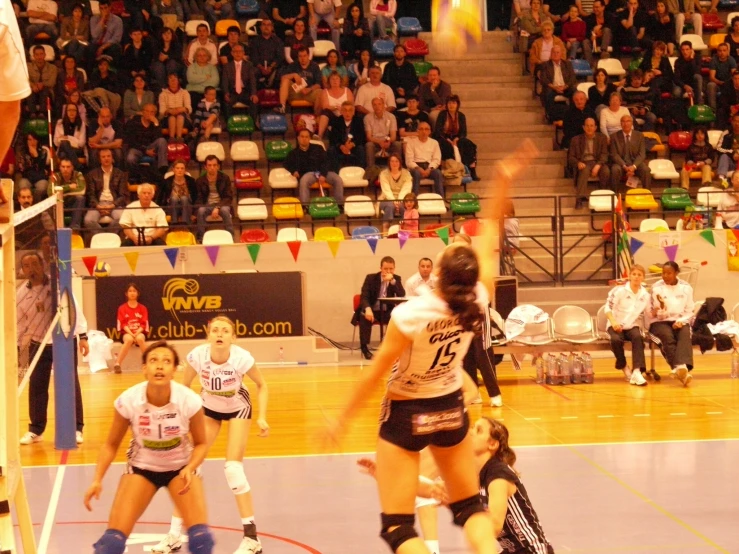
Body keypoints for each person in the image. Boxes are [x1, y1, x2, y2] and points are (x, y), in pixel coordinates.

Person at [330, 226, 505, 552]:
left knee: (397, 526)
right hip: (451, 408)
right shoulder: (479, 299)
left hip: (407, 411)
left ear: (438, 274)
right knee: (469, 507)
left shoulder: (411, 314)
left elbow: (374, 375)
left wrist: (341, 419)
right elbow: (490, 252)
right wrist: (503, 183)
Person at [83, 341, 215, 554]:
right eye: (153, 360)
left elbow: (201, 444)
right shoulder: (129, 400)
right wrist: (97, 479)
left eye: (166, 361)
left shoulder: (189, 401)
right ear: (144, 369)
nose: (160, 366)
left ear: (174, 370)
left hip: (180, 469)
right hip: (142, 469)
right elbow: (110, 445)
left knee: (202, 541)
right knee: (111, 544)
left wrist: (190, 467)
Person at [154, 317, 269, 554]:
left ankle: (252, 538)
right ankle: (174, 535)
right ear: (208, 335)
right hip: (208, 408)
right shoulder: (197, 356)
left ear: (233, 337)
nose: (219, 334)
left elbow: (262, 385)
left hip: (238, 408)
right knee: (189, 467)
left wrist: (262, 417)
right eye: (215, 330)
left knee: (233, 470)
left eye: (225, 331)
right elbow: (184, 388)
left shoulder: (241, 358)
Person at [18, 251, 88, 445]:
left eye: (35, 264)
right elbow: (18, 323)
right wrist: (16, 346)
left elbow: (75, 310)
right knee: (37, 387)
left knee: (70, 384)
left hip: (64, 342)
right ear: (23, 270)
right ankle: (36, 430)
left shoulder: (58, 287)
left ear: (42, 266)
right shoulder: (21, 294)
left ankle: (76, 428)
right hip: (37, 344)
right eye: (27, 265)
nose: (31, 268)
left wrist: (82, 336)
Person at [472, 418, 554, 553]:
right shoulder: (479, 473)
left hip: (531, 550)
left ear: (492, 444)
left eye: (478, 430)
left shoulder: (497, 473)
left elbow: (495, 525)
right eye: (473, 427)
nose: (471, 432)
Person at [647, 261, 695, 386]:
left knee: (684, 334)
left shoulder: (686, 288)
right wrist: (661, 312)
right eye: (663, 273)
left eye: (669, 273)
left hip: (680, 320)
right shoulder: (656, 288)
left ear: (676, 273)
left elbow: (690, 310)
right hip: (659, 322)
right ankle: (681, 368)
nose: (665, 276)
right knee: (667, 337)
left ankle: (680, 370)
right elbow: (653, 313)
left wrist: (681, 321)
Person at [605, 264, 650, 386]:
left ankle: (637, 372)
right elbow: (607, 309)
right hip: (615, 324)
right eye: (634, 274)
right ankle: (623, 365)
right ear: (629, 276)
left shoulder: (645, 295)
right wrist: (614, 322)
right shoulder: (618, 291)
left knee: (638, 338)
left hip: (632, 325)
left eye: (639, 275)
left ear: (643, 278)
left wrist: (660, 309)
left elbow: (649, 312)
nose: (636, 277)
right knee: (615, 340)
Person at [353, 256, 405, 360]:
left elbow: (402, 294)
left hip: (386, 311)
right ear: (380, 268)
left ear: (394, 269)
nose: (388, 271)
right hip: (372, 310)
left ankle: (391, 347)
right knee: (364, 316)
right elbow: (365, 296)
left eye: (391, 269)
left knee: (398, 318)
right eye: (386, 269)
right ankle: (365, 348)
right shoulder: (371, 278)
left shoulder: (396, 279)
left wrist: (393, 282)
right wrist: (368, 309)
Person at [285, 128, 345, 207]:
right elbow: (286, 164)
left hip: (323, 172)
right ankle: (305, 206)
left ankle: (340, 205)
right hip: (309, 174)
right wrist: (294, 171)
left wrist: (323, 174)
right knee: (304, 180)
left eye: (306, 137)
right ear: (298, 138)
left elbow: (326, 161)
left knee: (338, 179)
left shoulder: (318, 148)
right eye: (302, 137)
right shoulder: (293, 153)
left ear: (309, 138)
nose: (304, 139)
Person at [568, 117, 610, 208]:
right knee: (584, 170)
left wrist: (598, 165)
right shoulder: (576, 140)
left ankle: (603, 194)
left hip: (597, 161)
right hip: (584, 162)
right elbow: (571, 157)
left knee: (606, 171)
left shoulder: (602, 138)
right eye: (587, 126)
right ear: (583, 127)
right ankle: (579, 199)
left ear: (595, 127)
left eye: (591, 126)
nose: (589, 128)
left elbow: (604, 154)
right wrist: (578, 163)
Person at [434, 95, 479, 181]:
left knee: (468, 144)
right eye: (449, 103)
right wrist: (448, 139)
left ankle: (471, 170)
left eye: (454, 103)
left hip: (457, 138)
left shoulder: (461, 115)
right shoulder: (442, 114)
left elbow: (464, 132)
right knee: (444, 145)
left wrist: (457, 139)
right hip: (443, 138)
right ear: (446, 104)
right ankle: (450, 169)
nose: (451, 105)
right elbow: (438, 130)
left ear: (457, 104)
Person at [84, 148, 128, 232]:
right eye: (103, 157)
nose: (106, 158)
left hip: (115, 204)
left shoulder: (120, 174)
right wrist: (98, 206)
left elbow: (123, 195)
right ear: (99, 159)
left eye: (108, 156)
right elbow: (90, 195)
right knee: (88, 220)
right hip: (98, 204)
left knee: (122, 219)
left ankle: (109, 236)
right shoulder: (92, 174)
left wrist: (112, 206)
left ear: (112, 158)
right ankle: (102, 237)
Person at [195, 155, 234, 242]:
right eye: (209, 165)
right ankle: (200, 238)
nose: (212, 167)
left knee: (224, 210)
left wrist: (217, 207)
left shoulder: (225, 178)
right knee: (201, 211)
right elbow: (199, 198)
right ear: (205, 167)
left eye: (214, 165)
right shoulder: (200, 180)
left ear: (218, 166)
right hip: (207, 205)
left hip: (222, 204)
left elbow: (228, 197)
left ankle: (231, 237)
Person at [112, 283, 149, 373]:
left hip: (139, 332)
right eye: (130, 291)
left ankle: (148, 363)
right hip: (127, 333)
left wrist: (136, 334)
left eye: (134, 291)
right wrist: (132, 334)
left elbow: (144, 324)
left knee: (140, 338)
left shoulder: (143, 308)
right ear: (126, 293)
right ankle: (117, 364)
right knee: (128, 340)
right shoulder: (122, 308)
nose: (132, 293)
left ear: (137, 293)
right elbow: (123, 324)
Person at [275, 46, 322, 114]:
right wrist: (293, 75)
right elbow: (283, 78)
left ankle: (316, 117)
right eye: (300, 56)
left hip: (309, 92)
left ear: (308, 55)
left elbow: (318, 84)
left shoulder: (314, 66)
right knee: (286, 80)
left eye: (304, 56)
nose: (302, 58)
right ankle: (282, 107)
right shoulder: (293, 65)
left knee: (321, 93)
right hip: (296, 91)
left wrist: (309, 89)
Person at [609, 114, 651, 190]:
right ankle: (614, 196)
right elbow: (614, 155)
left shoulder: (639, 135)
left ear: (632, 123)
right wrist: (625, 166)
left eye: (628, 121)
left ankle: (647, 195)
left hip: (635, 164)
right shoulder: (614, 136)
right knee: (615, 169)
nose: (626, 124)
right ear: (620, 124)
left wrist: (634, 166)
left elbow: (642, 154)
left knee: (646, 170)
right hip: (621, 164)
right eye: (623, 121)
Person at [124, 103, 169, 174]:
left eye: (152, 112)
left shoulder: (156, 123)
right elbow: (131, 141)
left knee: (162, 140)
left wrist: (156, 124)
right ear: (142, 112)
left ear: (155, 114)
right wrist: (145, 151)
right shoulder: (134, 122)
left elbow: (158, 139)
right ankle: (134, 176)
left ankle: (162, 170)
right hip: (137, 148)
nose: (149, 114)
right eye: (147, 111)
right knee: (130, 158)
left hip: (151, 147)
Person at [222, 44, 259, 120]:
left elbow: (252, 80)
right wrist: (226, 92)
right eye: (235, 51)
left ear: (243, 53)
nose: (238, 53)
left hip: (245, 91)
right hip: (232, 92)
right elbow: (224, 81)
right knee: (226, 103)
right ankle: (228, 123)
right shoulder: (227, 66)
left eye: (240, 51)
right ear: (232, 53)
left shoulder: (249, 65)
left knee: (254, 102)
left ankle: (252, 123)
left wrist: (253, 94)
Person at [406, 121, 443, 196]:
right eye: (421, 129)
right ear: (417, 131)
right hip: (416, 168)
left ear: (429, 132)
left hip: (429, 167)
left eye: (426, 129)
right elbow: (409, 160)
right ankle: (413, 199)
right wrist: (419, 169)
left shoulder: (434, 143)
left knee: (438, 173)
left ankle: (440, 199)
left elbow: (437, 159)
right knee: (416, 173)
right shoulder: (411, 142)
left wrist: (429, 169)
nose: (424, 131)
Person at [378, 153, 413, 232]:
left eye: (396, 161)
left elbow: (406, 188)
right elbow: (386, 189)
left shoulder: (406, 173)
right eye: (392, 161)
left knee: (404, 206)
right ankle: (386, 230)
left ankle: (406, 229)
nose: (394, 163)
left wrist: (399, 200)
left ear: (400, 163)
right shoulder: (383, 174)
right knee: (390, 206)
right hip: (386, 198)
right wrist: (393, 200)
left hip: (403, 198)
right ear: (389, 163)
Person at [365, 97, 402, 169]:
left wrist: (388, 142)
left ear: (383, 105)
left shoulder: (391, 117)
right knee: (369, 145)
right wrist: (379, 142)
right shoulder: (367, 118)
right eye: (374, 105)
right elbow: (369, 137)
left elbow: (393, 136)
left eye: (379, 104)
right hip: (375, 143)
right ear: (372, 106)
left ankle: (398, 168)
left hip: (388, 143)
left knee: (397, 144)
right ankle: (371, 170)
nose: (377, 106)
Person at [49, 159, 87, 229]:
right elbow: (50, 193)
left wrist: (61, 192)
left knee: (80, 198)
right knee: (55, 201)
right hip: (59, 203)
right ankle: (61, 228)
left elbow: (82, 190)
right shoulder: (54, 176)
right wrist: (69, 187)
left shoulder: (78, 175)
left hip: (73, 203)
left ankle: (74, 227)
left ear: (72, 167)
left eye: (68, 167)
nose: (65, 169)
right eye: (63, 167)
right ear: (60, 167)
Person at [249, 18, 285, 90]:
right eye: (264, 25)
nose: (266, 27)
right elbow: (254, 57)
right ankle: (254, 95)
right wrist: (262, 68)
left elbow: (280, 57)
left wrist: (270, 67)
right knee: (251, 72)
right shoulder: (254, 41)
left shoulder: (278, 41)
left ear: (272, 27)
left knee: (282, 73)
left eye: (268, 25)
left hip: (274, 68)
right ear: (260, 27)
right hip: (259, 68)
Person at [316, 71, 354, 138]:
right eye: (332, 79)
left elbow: (351, 106)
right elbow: (325, 106)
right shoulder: (325, 91)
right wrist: (336, 107)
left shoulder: (347, 90)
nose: (335, 81)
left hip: (345, 115)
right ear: (329, 81)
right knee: (325, 112)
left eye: (337, 79)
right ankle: (320, 136)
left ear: (340, 80)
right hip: (332, 117)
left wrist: (342, 109)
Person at [160, 158, 197, 225]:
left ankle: (185, 225)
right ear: (173, 169)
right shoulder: (167, 181)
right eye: (177, 168)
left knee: (184, 198)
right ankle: (174, 224)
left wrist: (194, 213)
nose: (180, 170)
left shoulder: (191, 181)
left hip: (187, 206)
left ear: (185, 170)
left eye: (182, 168)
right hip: (172, 206)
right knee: (174, 198)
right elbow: (161, 198)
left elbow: (195, 198)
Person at [15, 132, 50, 203]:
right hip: (27, 178)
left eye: (34, 139)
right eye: (30, 140)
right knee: (23, 185)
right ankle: (26, 206)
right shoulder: (22, 152)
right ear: (26, 141)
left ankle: (35, 207)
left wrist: (36, 156)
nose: (32, 142)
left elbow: (40, 168)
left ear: (38, 141)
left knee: (42, 188)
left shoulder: (43, 152)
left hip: (40, 178)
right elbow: (23, 169)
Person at [26, 45, 58, 118]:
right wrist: (33, 85)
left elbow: (52, 82)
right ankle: (32, 113)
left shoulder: (52, 68)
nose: (39, 56)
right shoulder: (28, 66)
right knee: (29, 90)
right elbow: (25, 79)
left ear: (45, 55)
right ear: (33, 56)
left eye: (41, 54)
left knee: (45, 90)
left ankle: (42, 114)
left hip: (47, 92)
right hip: (32, 90)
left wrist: (43, 84)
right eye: (37, 54)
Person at [159, 73, 192, 142]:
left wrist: (182, 109)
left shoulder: (185, 93)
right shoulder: (163, 94)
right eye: (171, 79)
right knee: (172, 117)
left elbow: (189, 108)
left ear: (178, 81)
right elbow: (162, 110)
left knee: (180, 116)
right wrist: (169, 111)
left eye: (175, 79)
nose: (173, 81)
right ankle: (171, 139)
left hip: (183, 117)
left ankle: (179, 138)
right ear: (168, 82)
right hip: (167, 117)